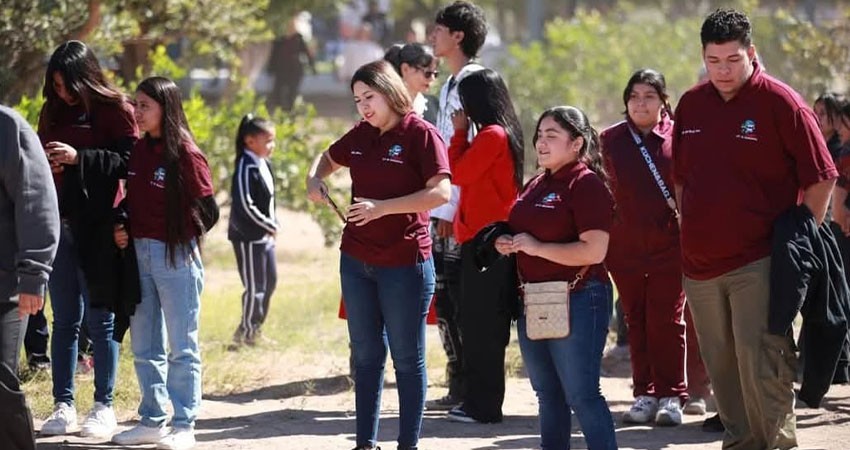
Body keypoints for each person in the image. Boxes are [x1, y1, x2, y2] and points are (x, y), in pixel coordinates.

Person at [672, 9, 837, 449]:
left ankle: (777, 444)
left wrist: (801, 235)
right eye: (714, 61)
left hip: (759, 258)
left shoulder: (782, 102)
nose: (723, 71)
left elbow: (822, 175)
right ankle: (741, 443)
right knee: (721, 366)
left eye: (733, 60)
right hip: (699, 265)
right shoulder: (692, 103)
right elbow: (682, 176)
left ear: (752, 53)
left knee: (760, 358)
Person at [306, 60, 451, 450]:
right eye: (357, 100)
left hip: (405, 263)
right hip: (356, 261)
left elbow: (441, 193)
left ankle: (408, 444)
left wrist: (382, 208)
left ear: (389, 91)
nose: (364, 107)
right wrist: (314, 178)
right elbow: (327, 156)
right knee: (366, 356)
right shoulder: (360, 134)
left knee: (407, 359)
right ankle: (365, 443)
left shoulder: (422, 134)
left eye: (369, 97)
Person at [496, 105, 617, 449]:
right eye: (539, 136)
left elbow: (594, 251)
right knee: (548, 395)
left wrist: (536, 248)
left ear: (577, 143)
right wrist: (511, 243)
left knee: (582, 394)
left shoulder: (586, 184)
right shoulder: (536, 182)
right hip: (535, 298)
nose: (542, 143)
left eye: (553, 136)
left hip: (580, 297)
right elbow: (529, 235)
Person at [37, 40, 139, 439]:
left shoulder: (117, 111)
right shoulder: (53, 111)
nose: (62, 94)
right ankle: (63, 404)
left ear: (86, 78)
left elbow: (131, 163)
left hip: (99, 226)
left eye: (68, 86)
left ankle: (104, 406)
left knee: (102, 318)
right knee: (63, 319)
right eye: (56, 86)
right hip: (60, 224)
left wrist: (80, 157)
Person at [111, 76, 218, 450]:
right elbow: (131, 202)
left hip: (175, 258)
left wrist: (178, 234)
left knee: (181, 346)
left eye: (145, 106)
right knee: (144, 343)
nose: (137, 113)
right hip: (139, 256)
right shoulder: (139, 151)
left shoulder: (186, 154)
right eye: (135, 105)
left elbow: (209, 210)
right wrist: (123, 225)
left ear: (166, 109)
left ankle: (184, 422)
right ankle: (152, 419)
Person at [601, 68, 687, 426]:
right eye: (634, 96)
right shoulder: (609, 139)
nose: (641, 103)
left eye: (649, 96)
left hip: (671, 245)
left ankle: (673, 395)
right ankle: (645, 393)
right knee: (635, 320)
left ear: (663, 101)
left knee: (667, 319)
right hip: (625, 246)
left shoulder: (678, 137)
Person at [444, 68, 523, 424]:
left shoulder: (492, 134)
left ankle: (484, 406)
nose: (461, 109)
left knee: (483, 327)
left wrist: (459, 133)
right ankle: (479, 402)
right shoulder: (499, 132)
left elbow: (458, 173)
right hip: (485, 237)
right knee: (479, 325)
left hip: (487, 240)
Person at [425, 0, 488, 411]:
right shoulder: (450, 83)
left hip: (463, 216)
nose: (432, 36)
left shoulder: (475, 82)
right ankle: (457, 381)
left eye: (439, 30)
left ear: (458, 36)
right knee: (445, 302)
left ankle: (473, 388)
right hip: (445, 208)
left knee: (464, 303)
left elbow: (474, 155)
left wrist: (451, 213)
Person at [0, 104, 60, 450]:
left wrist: (34, 274)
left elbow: (35, 200)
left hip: (5, 286)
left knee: (1, 385)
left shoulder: (8, 127)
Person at [227, 114, 279, 348]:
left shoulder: (263, 163)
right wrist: (269, 224)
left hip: (264, 237)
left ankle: (254, 329)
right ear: (249, 141)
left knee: (269, 283)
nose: (272, 146)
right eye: (267, 141)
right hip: (249, 237)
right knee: (255, 286)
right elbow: (245, 204)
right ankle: (247, 334)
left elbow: (269, 200)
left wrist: (272, 222)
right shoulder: (245, 166)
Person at [268, 15, 316, 111]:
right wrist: (270, 68)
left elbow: (306, 52)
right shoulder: (279, 39)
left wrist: (312, 66)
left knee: (292, 93)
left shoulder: (298, 38)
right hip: (281, 69)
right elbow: (274, 54)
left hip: (295, 70)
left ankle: (290, 112)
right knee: (278, 92)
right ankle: (279, 111)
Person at [384, 43, 440, 124]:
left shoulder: (434, 104)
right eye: (427, 73)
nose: (432, 78)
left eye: (435, 74)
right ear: (405, 69)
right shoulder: (387, 107)